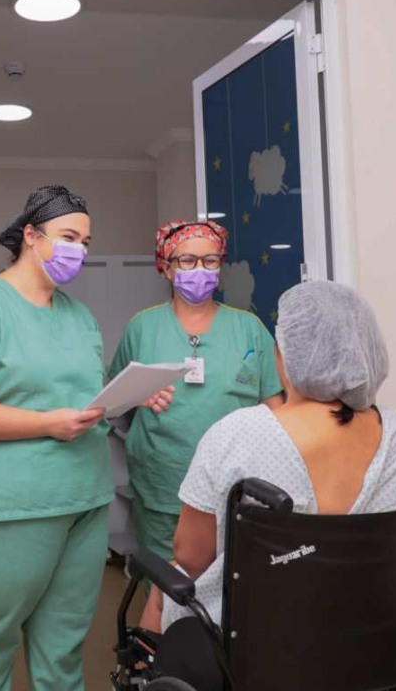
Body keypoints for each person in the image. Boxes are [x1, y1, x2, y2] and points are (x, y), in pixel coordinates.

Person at [140, 281, 396, 688]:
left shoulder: (238, 433)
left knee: (163, 587)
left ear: (286, 357)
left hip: (257, 647)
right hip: (371, 633)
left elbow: (192, 557)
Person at [0, 185, 114, 691]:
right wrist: (44, 424)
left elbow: (82, 395)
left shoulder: (78, 315)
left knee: (63, 646)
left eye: (87, 240)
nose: (80, 249)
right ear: (31, 235)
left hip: (84, 500)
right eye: (69, 236)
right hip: (9, 508)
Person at [108, 219, 283, 566]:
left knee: (232, 590)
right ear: (167, 269)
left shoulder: (248, 328)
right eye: (187, 261)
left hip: (236, 486)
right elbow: (113, 405)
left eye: (210, 260)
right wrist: (137, 396)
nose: (199, 269)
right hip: (162, 485)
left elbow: (276, 408)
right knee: (165, 589)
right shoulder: (143, 327)